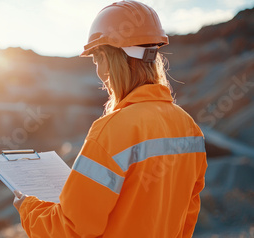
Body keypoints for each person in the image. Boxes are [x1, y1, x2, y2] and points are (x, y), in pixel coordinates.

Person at [12, 1, 207, 237]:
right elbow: (187, 218)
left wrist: (28, 209)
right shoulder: (190, 128)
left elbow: (72, 229)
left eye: (96, 59)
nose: (98, 71)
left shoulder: (111, 130)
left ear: (106, 57)